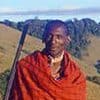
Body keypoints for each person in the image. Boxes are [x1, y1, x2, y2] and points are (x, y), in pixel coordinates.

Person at [9, 20, 86, 100]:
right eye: (49, 36)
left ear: (67, 40)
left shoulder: (76, 78)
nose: (53, 41)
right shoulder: (26, 66)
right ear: (43, 38)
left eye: (58, 37)